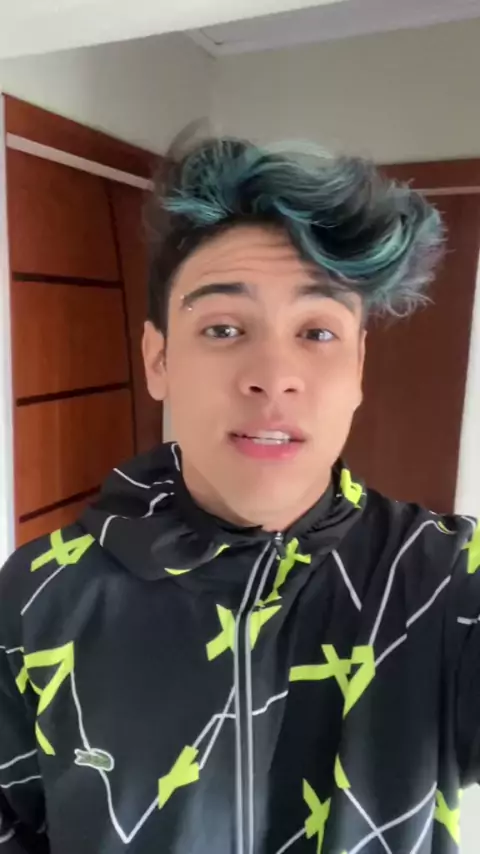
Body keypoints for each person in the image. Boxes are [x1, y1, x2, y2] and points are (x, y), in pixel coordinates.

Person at [0, 137, 478, 854]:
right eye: (223, 328)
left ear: (357, 368)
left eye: (317, 332)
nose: (274, 375)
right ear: (159, 359)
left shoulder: (444, 583)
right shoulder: (40, 592)